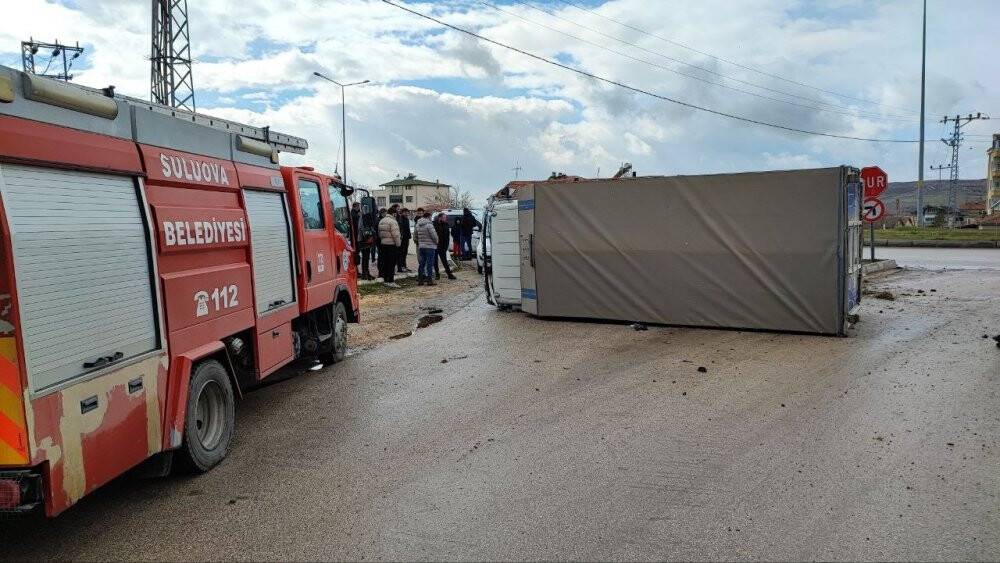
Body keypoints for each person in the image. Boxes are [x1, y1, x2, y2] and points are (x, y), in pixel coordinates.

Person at [377, 207, 401, 287]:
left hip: (383, 244)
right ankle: (391, 280)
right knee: (391, 263)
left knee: (385, 263)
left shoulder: (382, 220)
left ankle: (386, 280)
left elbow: (379, 234)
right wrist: (398, 244)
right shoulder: (393, 221)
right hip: (391, 245)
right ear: (394, 214)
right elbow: (396, 234)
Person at [351, 202, 374, 280]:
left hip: (361, 239)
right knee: (364, 257)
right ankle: (365, 274)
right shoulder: (360, 216)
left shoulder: (360, 216)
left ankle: (365, 273)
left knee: (365, 257)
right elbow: (361, 228)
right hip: (363, 240)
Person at [414, 211, 438, 286]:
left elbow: (415, 236)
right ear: (428, 217)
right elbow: (434, 236)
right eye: (431, 217)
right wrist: (437, 242)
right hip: (430, 246)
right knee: (430, 264)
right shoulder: (429, 225)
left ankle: (420, 280)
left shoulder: (418, 224)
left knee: (422, 263)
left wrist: (419, 243)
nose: (431, 218)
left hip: (421, 247)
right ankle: (429, 280)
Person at [434, 212, 456, 280]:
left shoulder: (446, 224)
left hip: (443, 245)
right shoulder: (434, 224)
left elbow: (447, 236)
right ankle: (437, 274)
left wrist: (446, 246)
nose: (445, 219)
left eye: (445, 218)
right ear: (440, 218)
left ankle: (449, 274)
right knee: (435, 260)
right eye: (444, 217)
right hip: (435, 245)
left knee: (444, 260)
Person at [396, 207, 412, 273]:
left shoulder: (406, 219)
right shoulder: (400, 219)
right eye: (405, 212)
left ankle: (404, 266)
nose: (406, 213)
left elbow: (407, 229)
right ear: (402, 213)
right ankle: (401, 267)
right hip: (402, 238)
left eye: (407, 212)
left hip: (406, 238)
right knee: (401, 253)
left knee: (405, 253)